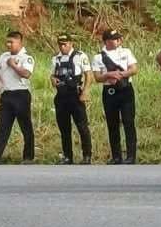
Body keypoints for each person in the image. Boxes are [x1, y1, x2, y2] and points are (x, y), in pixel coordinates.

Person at [0, 31, 35, 164]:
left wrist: (14, 65)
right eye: (7, 42)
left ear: (20, 42)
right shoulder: (3, 56)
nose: (8, 45)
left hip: (21, 94)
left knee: (26, 126)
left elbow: (26, 74)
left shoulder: (27, 57)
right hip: (6, 94)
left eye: (11, 42)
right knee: (2, 127)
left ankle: (28, 157)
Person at [93, 29, 139, 165]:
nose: (118, 41)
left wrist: (121, 75)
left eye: (119, 39)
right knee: (112, 124)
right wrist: (108, 75)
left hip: (125, 89)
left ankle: (131, 155)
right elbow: (97, 77)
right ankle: (116, 156)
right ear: (107, 41)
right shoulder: (98, 57)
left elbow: (134, 69)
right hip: (110, 91)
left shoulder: (126, 52)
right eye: (115, 39)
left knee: (128, 122)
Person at [49, 34, 93, 164]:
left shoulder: (80, 56)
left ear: (71, 43)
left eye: (65, 44)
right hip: (61, 96)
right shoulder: (55, 59)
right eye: (60, 44)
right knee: (64, 128)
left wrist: (85, 92)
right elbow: (52, 75)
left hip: (75, 95)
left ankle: (87, 156)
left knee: (82, 127)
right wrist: (53, 80)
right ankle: (68, 156)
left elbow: (89, 75)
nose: (62, 47)